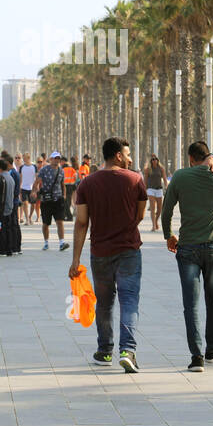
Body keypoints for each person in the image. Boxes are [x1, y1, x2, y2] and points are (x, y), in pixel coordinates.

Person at [69, 137, 147, 373]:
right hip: (129, 251)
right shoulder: (135, 180)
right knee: (129, 300)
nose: (131, 159)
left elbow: (82, 222)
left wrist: (75, 259)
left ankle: (104, 351)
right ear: (118, 156)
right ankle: (128, 351)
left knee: (104, 303)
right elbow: (141, 215)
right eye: (128, 154)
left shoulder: (87, 184)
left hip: (100, 252)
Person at [163, 142, 213, 372]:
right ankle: (212, 347)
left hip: (187, 248)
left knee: (190, 304)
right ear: (207, 157)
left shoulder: (180, 176)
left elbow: (166, 209)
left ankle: (197, 356)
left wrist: (168, 234)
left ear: (190, 158)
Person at [0, 155, 21, 256]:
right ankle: (8, 249)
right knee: (8, 229)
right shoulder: (10, 178)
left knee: (1, 229)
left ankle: (1, 250)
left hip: (1, 208)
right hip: (9, 207)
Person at [36, 153, 70, 251]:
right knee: (46, 223)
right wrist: (34, 191)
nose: (57, 160)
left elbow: (63, 184)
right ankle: (46, 242)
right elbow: (37, 181)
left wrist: (64, 196)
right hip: (46, 200)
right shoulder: (44, 169)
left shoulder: (61, 171)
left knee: (60, 221)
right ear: (51, 159)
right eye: (55, 158)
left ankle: (62, 243)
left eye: (58, 158)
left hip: (58, 199)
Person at [144, 156, 168, 232]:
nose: (154, 161)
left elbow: (164, 179)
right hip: (150, 189)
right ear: (151, 161)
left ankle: (156, 221)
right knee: (152, 208)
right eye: (152, 160)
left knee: (160, 209)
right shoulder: (148, 169)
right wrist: (144, 189)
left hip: (159, 189)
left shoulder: (161, 169)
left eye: (155, 159)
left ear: (158, 160)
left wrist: (166, 187)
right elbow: (145, 180)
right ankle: (154, 225)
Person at [18, 154, 38, 225]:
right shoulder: (22, 167)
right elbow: (20, 178)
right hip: (24, 188)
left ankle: (30, 217)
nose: (23, 159)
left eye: (24, 158)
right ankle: (27, 219)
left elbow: (36, 178)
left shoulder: (34, 166)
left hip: (32, 188)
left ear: (28, 158)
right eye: (23, 158)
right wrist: (19, 188)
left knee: (33, 204)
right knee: (25, 203)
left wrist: (36, 188)